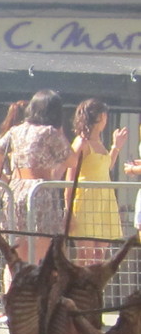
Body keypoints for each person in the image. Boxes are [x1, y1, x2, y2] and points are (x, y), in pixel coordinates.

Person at [0, 89, 73, 266]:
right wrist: (61, 132)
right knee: (43, 253)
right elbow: (72, 159)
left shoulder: (16, 131)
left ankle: (14, 290)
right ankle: (38, 291)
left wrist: (7, 180)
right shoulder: (49, 132)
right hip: (41, 193)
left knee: (17, 256)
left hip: (16, 191)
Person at [65, 98, 127, 263]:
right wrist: (68, 211)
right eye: (103, 114)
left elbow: (105, 167)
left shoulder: (99, 142)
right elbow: (69, 177)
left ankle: (95, 289)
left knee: (100, 256)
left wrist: (116, 146)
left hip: (104, 201)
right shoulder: (81, 142)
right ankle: (78, 288)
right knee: (86, 255)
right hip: (86, 200)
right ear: (97, 116)